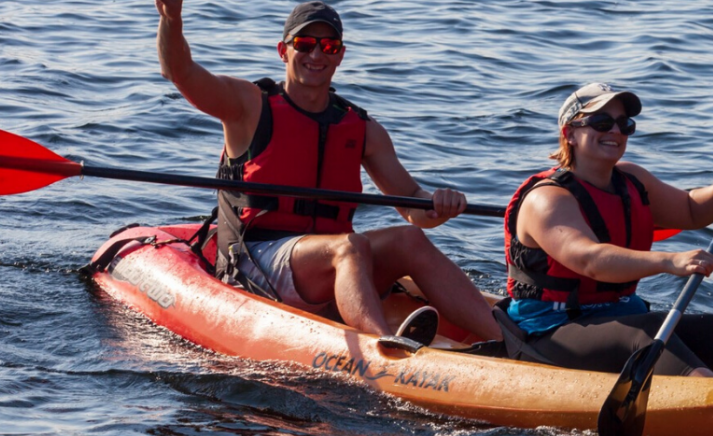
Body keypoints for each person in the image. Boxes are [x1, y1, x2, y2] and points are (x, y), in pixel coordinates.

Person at [154, 0, 499, 342]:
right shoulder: (247, 105)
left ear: (340, 55)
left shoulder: (361, 127)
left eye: (329, 46)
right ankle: (385, 348)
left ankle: (509, 342)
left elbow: (411, 203)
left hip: (323, 265)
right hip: (259, 261)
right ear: (283, 51)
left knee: (409, 239)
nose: (317, 55)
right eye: (304, 44)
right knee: (348, 247)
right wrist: (172, 18)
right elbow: (179, 72)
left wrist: (438, 205)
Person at [502, 82, 713, 377]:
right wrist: (669, 261)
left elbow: (692, 210)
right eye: (601, 122)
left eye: (624, 124)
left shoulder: (632, 179)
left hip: (618, 315)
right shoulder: (546, 199)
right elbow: (591, 260)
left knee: (711, 327)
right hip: (548, 332)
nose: (614, 131)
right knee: (650, 335)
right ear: (570, 134)